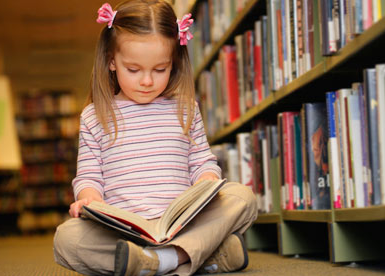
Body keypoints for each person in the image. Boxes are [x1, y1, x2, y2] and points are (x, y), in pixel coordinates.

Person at [52, 1, 258, 275]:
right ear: (112, 61)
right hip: (125, 231)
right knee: (67, 239)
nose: (147, 81)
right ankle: (202, 256)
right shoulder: (94, 116)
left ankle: (157, 262)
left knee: (243, 197)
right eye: (134, 70)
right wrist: (89, 199)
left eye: (160, 70)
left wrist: (206, 180)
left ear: (173, 63)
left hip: (183, 222)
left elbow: (201, 161)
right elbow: (89, 177)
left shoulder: (185, 108)